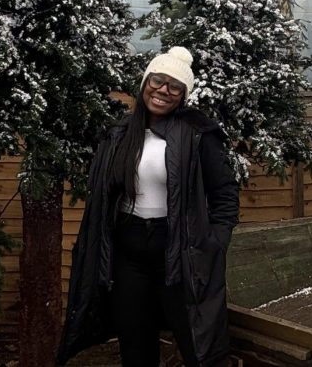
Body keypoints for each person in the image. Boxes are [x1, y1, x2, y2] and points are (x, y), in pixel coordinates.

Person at [57, 46, 240, 367]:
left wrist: (214, 242)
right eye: (158, 80)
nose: (163, 90)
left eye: (175, 86)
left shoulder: (198, 134)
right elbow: (104, 195)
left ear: (183, 96)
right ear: (145, 82)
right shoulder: (119, 133)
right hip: (129, 256)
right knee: (135, 345)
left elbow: (224, 194)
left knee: (196, 342)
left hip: (182, 254)